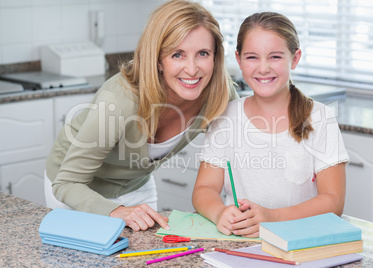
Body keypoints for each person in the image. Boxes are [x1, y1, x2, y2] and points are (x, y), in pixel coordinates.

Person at [44, 0, 237, 232]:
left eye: (203, 53)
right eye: (178, 55)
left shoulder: (218, 93)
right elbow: (67, 183)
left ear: (216, 57)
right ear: (158, 60)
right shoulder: (120, 100)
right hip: (77, 190)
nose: (192, 69)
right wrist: (116, 211)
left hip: (136, 188)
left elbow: (243, 151)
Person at [192, 11, 349, 238]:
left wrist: (272, 217)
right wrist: (219, 213)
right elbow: (204, 189)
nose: (263, 68)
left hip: (299, 242)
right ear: (238, 60)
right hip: (239, 242)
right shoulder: (224, 118)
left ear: (294, 59)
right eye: (252, 57)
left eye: (275, 57)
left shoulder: (320, 119)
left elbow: (333, 201)